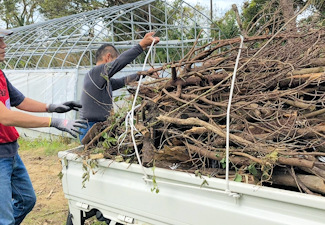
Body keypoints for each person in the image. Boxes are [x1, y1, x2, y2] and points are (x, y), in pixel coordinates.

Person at [0, 28, 87, 225]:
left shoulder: (0, 75)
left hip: (11, 152)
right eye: (0, 42)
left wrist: (52, 108)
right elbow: (4, 116)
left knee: (26, 200)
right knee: (4, 218)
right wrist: (54, 122)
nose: (4, 46)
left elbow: (19, 100)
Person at [79, 32, 160, 143]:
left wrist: (145, 73)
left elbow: (123, 81)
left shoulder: (102, 81)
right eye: (114, 60)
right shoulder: (95, 73)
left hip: (99, 127)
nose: (115, 66)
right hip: (90, 128)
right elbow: (120, 62)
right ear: (108, 57)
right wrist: (141, 45)